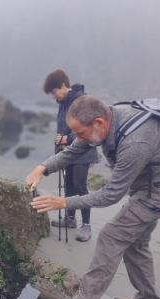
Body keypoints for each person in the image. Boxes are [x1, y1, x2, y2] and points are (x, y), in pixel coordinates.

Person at [25, 95, 160, 299]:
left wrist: (64, 203)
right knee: (135, 242)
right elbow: (73, 151)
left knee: (112, 236)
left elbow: (110, 195)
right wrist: (42, 167)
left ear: (98, 122)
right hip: (152, 181)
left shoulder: (136, 142)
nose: (78, 138)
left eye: (81, 133)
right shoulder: (106, 119)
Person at [42, 69, 98, 242]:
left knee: (80, 187)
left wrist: (68, 138)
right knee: (68, 186)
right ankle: (70, 219)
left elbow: (90, 127)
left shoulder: (82, 101)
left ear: (63, 86)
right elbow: (62, 128)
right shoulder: (62, 103)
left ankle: (86, 225)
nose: (53, 96)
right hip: (67, 153)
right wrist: (59, 143)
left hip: (84, 151)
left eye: (54, 92)